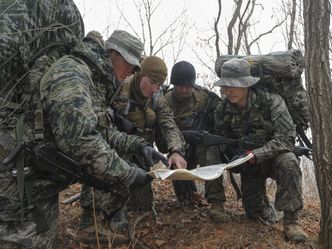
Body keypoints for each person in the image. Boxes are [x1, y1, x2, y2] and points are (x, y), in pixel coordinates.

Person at [0, 27, 166, 248]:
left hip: (37, 178)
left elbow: (102, 131)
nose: (132, 72)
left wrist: (139, 145)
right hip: (17, 178)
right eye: (130, 64)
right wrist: (127, 174)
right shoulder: (73, 74)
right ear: (112, 54)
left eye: (136, 68)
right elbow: (82, 141)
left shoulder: (94, 80)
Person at [210, 58, 308, 242]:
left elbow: (286, 138)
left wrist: (258, 153)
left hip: (273, 158)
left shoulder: (271, 101)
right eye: (225, 86)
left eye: (234, 85)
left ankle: (291, 222)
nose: (229, 90)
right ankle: (270, 210)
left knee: (289, 161)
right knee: (254, 214)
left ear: (246, 84)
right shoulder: (222, 109)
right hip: (248, 164)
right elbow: (223, 141)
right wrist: (235, 159)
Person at [108, 55, 187, 229]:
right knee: (108, 208)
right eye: (151, 82)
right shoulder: (119, 91)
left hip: (142, 155)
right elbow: (104, 131)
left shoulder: (156, 98)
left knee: (142, 208)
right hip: (114, 154)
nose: (154, 88)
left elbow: (168, 123)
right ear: (139, 74)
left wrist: (176, 150)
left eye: (159, 85)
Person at [164, 61, 230, 224]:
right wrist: (184, 135)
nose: (185, 90)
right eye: (180, 86)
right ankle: (186, 198)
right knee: (183, 195)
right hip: (179, 149)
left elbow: (223, 111)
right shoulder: (165, 102)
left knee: (210, 152)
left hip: (202, 144)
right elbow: (162, 134)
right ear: (174, 84)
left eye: (188, 86)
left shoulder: (204, 97)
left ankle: (216, 204)